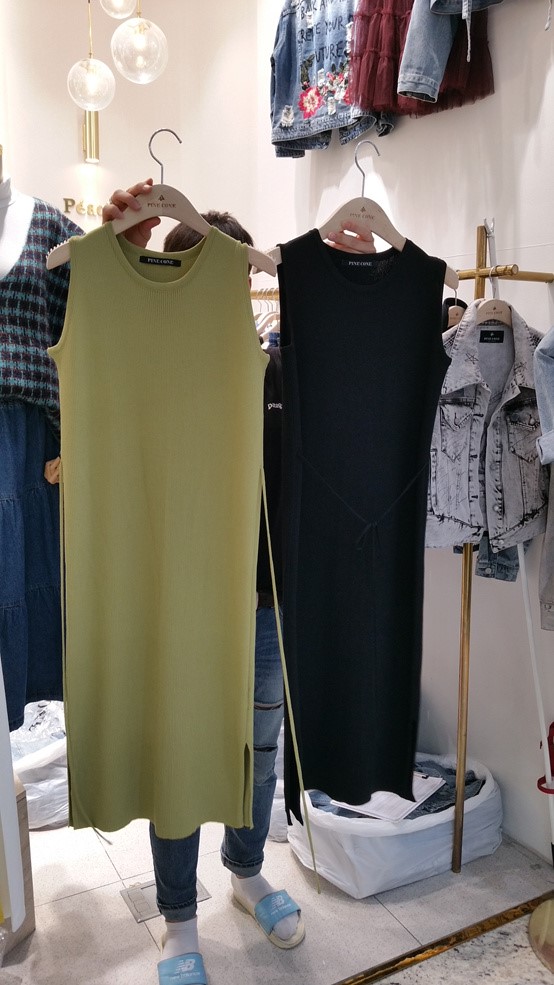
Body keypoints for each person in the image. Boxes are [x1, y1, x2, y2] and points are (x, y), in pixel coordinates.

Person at [102, 181, 376, 985]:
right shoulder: (149, 370)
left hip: (264, 600)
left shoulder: (279, 369)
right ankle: (177, 913)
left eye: (233, 280)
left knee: (258, 750)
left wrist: (356, 281)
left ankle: (248, 870)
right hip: (179, 604)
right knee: (180, 750)